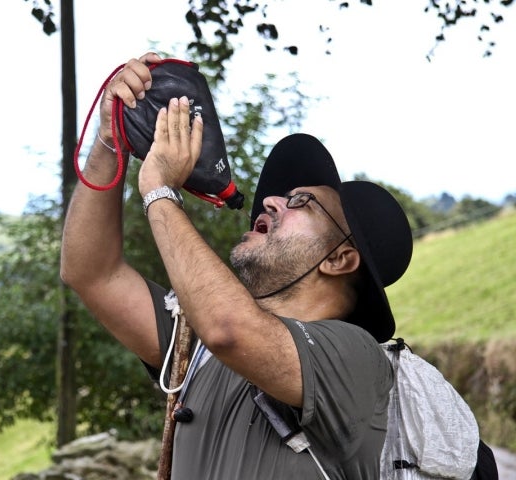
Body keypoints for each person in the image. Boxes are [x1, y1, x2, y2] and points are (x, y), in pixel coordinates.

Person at [60, 52, 413, 479]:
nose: (270, 200)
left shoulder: (357, 358)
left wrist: (160, 191)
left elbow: (230, 330)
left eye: (301, 202)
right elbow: (91, 272)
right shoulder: (196, 347)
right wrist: (109, 142)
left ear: (340, 259)